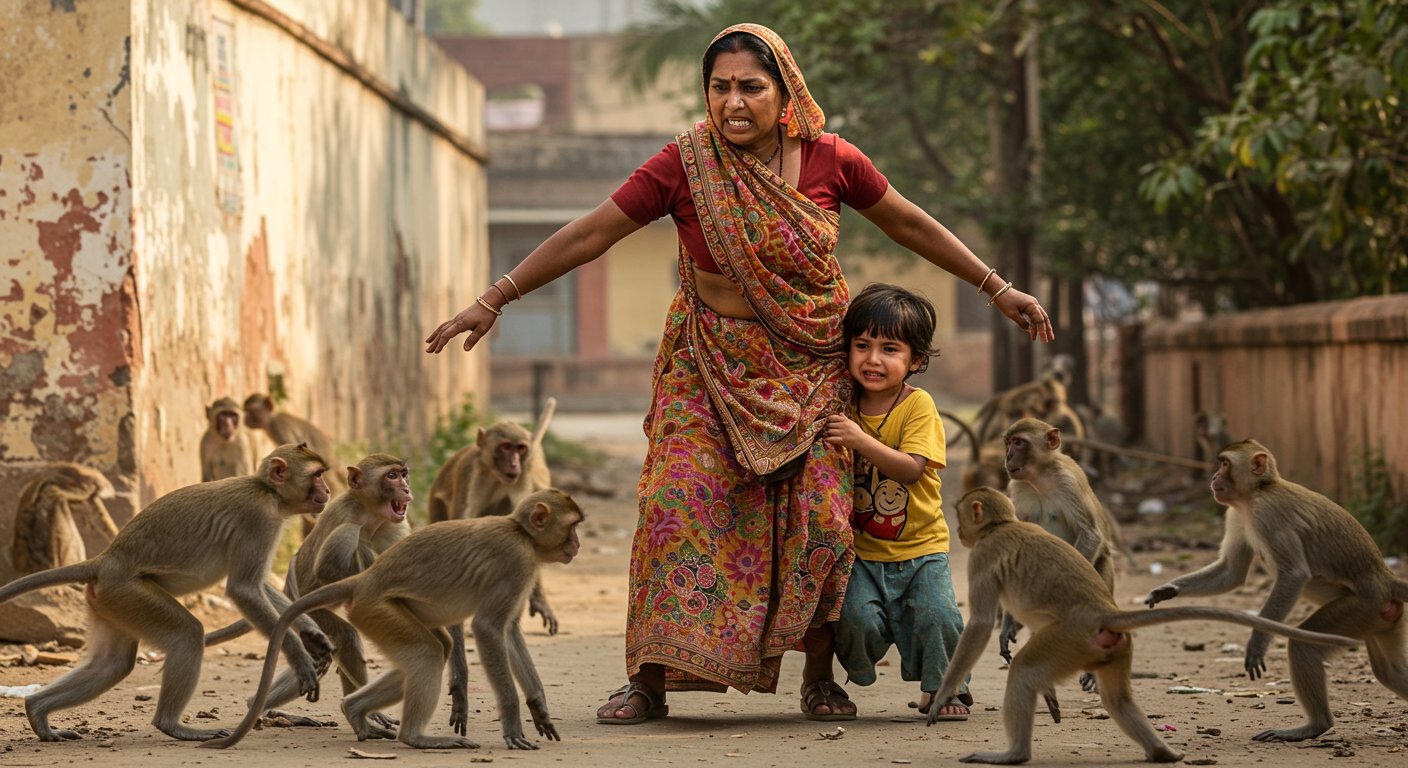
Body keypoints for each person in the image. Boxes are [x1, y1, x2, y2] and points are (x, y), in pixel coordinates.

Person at [424, 23, 1053, 724]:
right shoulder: (683, 166)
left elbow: (908, 224)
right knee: (672, 502)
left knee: (818, 519)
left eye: (750, 87)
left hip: (809, 364)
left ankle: (819, 679)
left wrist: (996, 286)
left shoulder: (831, 159)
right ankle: (649, 681)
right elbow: (591, 232)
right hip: (707, 365)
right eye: (719, 87)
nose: (732, 102)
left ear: (785, 93)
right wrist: (494, 299)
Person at [822, 283, 971, 721]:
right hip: (863, 552)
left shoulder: (917, 406)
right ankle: (863, 668)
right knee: (854, 621)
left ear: (916, 360)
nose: (872, 359)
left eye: (890, 349)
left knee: (937, 618)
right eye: (862, 345)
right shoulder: (841, 403)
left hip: (921, 548)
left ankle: (945, 690)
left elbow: (911, 469)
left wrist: (857, 439)